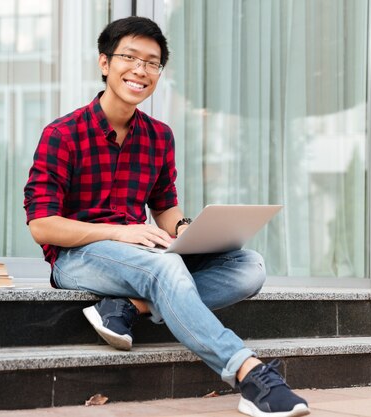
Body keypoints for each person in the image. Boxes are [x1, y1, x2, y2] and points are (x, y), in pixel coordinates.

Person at [23, 16, 309, 417]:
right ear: (104, 63)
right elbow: (41, 226)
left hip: (143, 255)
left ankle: (128, 307)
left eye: (152, 62)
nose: (141, 70)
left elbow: (164, 206)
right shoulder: (63, 134)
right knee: (167, 268)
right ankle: (250, 374)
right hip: (79, 258)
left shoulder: (159, 136)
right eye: (130, 57)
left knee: (250, 267)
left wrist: (186, 230)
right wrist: (118, 233)